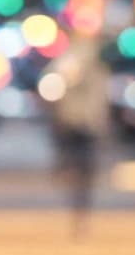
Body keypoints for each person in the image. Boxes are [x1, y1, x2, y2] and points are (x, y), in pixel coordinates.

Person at [45, 28, 110, 235]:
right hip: (79, 123)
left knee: (81, 169)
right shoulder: (77, 65)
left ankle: (78, 202)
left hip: (79, 123)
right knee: (82, 169)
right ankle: (78, 201)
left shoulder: (93, 68)